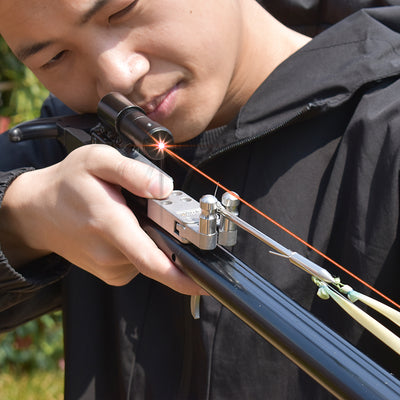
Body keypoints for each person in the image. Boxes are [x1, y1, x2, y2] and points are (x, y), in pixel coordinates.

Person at [1, 0, 400, 398]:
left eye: (122, 11)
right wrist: (23, 220)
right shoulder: (71, 138)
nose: (119, 76)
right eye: (54, 57)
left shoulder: (388, 130)